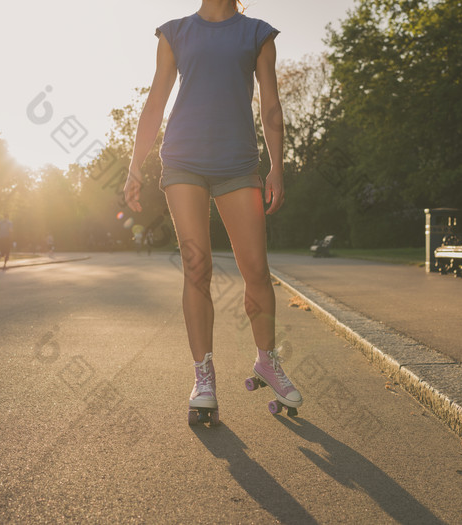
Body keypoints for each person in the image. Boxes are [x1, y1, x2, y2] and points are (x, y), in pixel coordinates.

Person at [124, 0, 302, 424]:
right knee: (196, 267)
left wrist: (277, 166)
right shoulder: (174, 32)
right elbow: (155, 103)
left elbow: (271, 106)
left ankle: (266, 361)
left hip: (239, 164)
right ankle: (203, 376)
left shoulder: (258, 34)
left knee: (256, 270)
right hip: (183, 160)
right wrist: (134, 166)